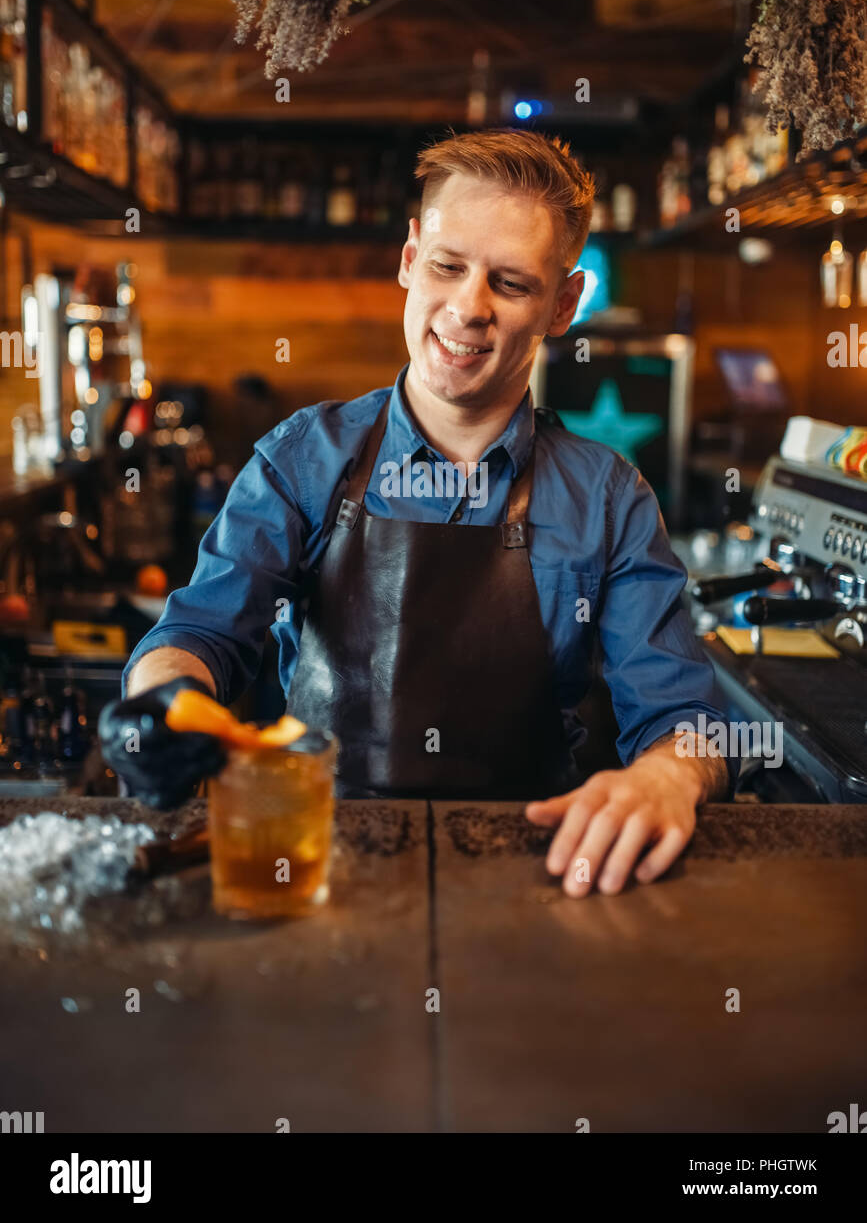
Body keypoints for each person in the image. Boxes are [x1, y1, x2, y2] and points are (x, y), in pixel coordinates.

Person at [100, 129, 732, 898]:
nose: (468, 309)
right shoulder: (302, 459)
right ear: (408, 261)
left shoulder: (608, 498)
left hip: (535, 877)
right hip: (315, 865)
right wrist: (163, 699)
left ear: (561, 304)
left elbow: (686, 720)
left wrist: (670, 777)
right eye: (446, 266)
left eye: (510, 283)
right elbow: (197, 635)